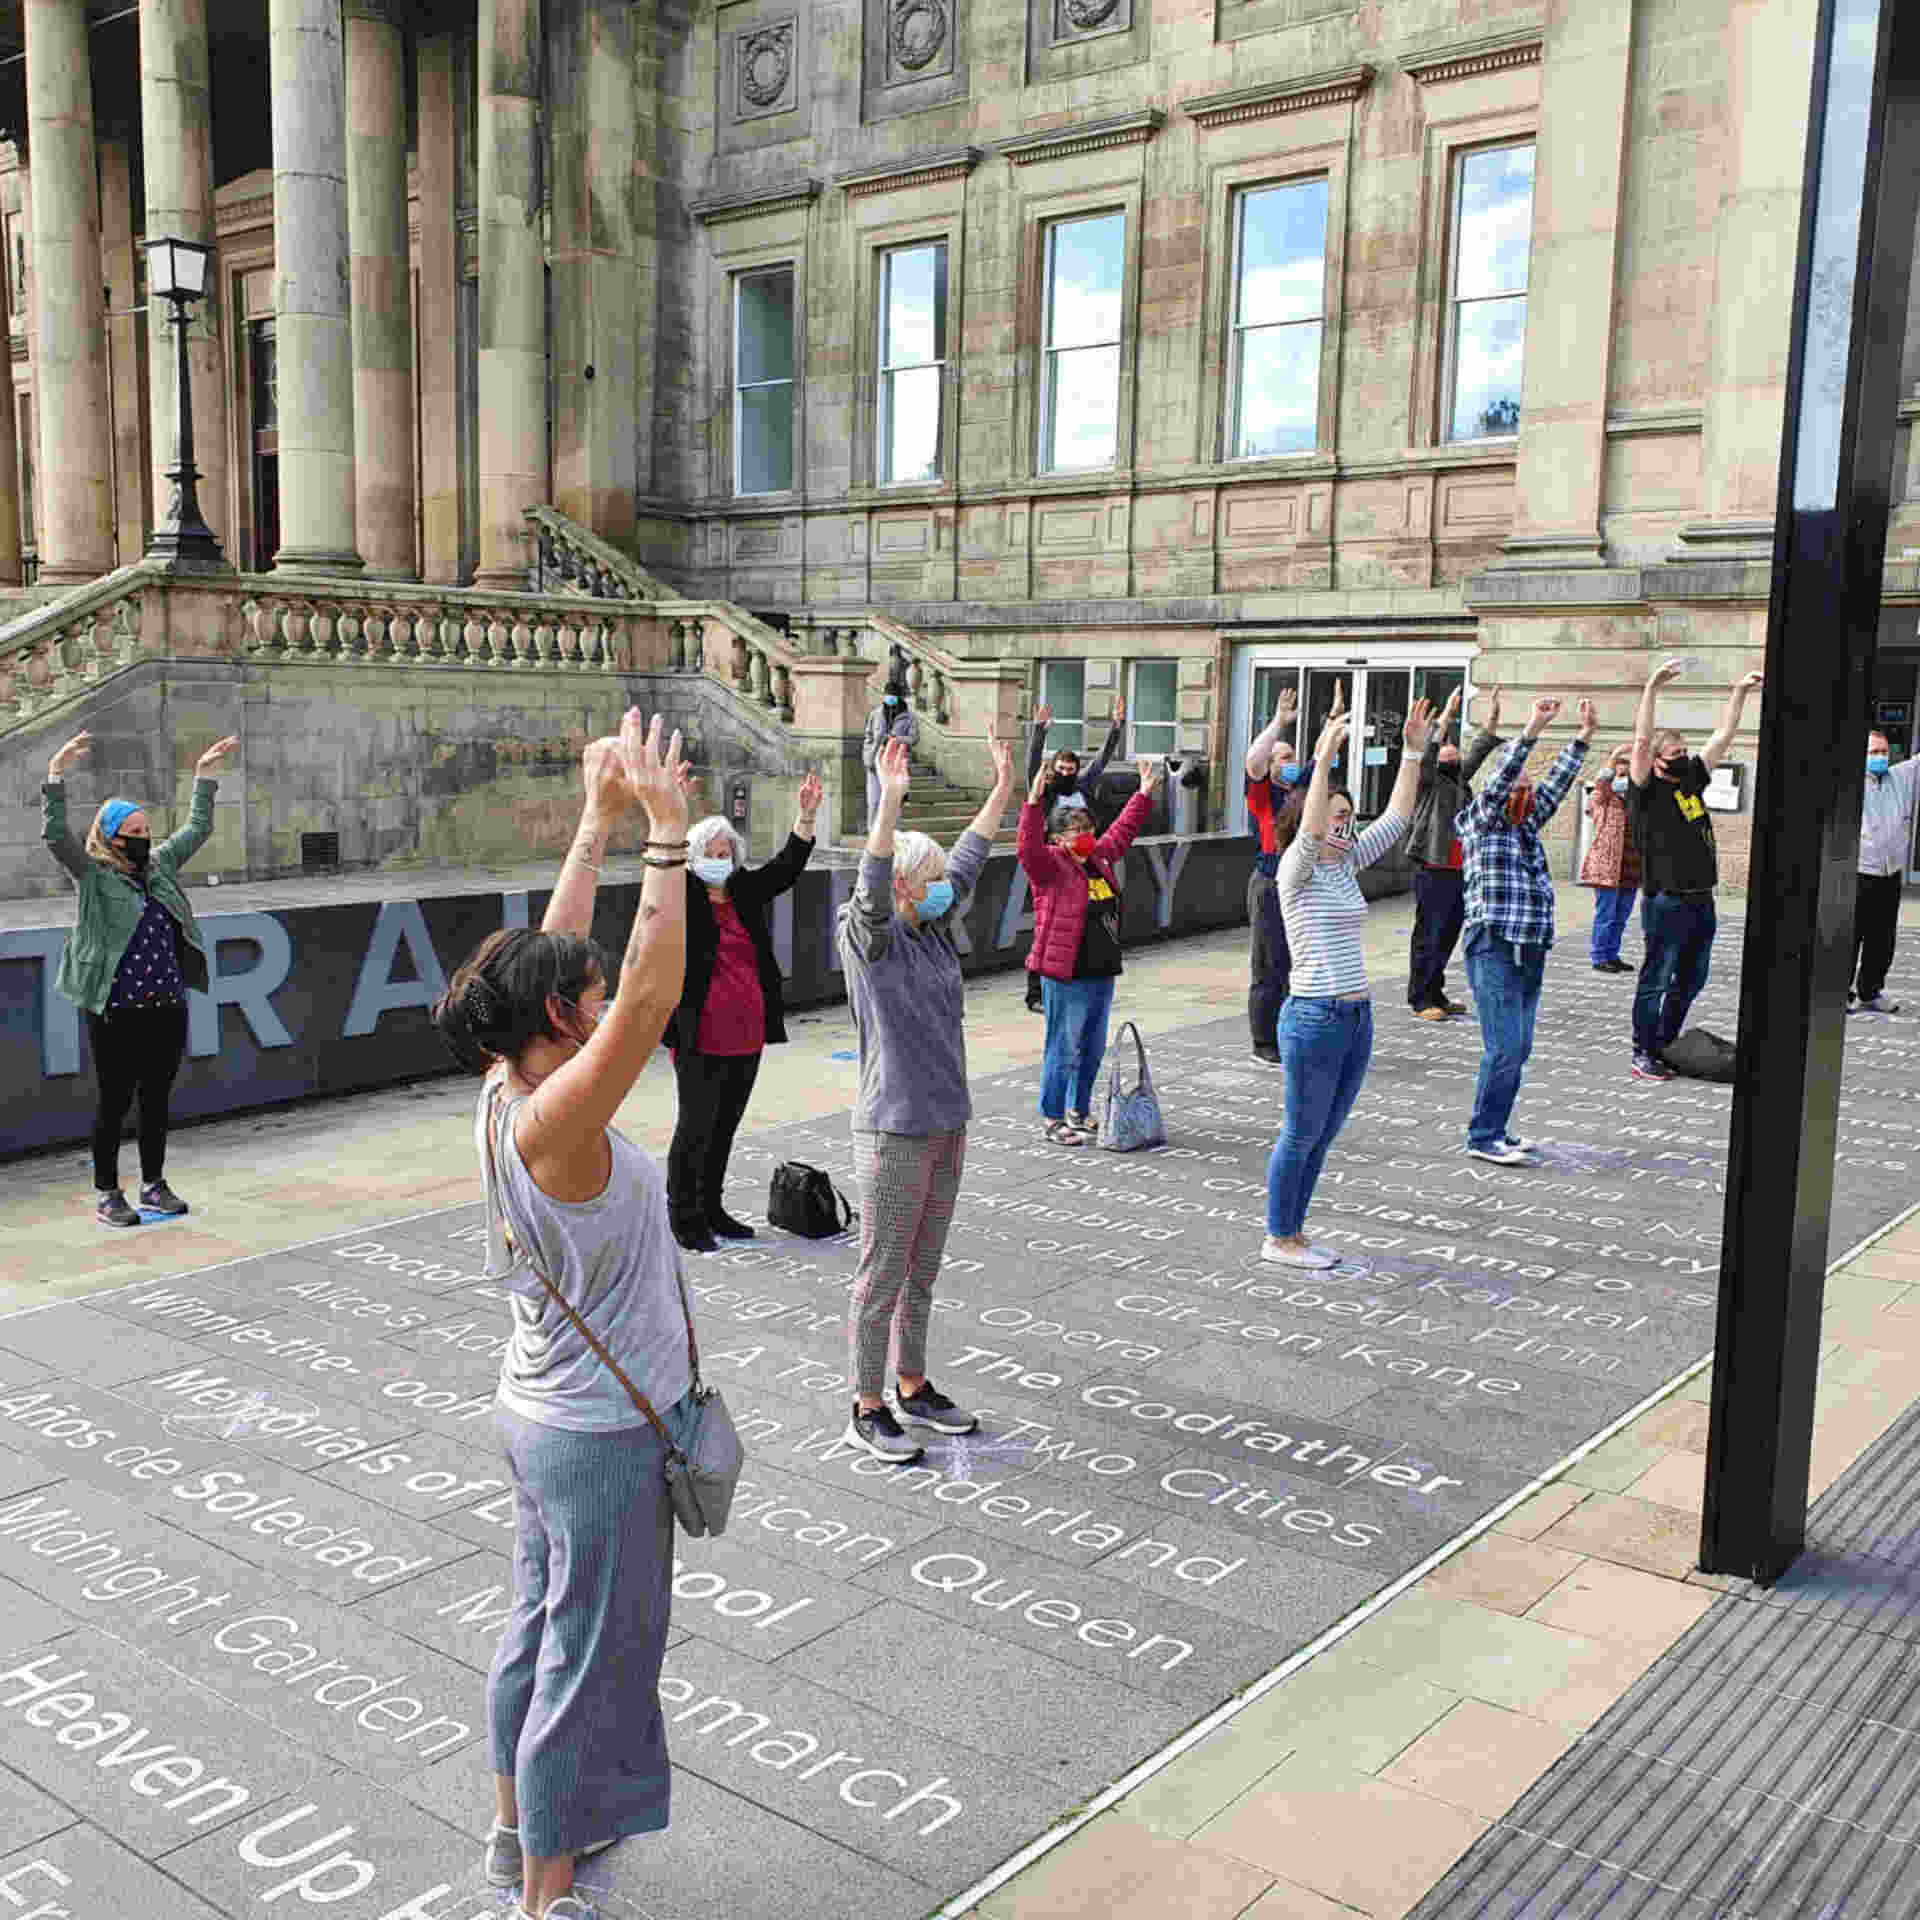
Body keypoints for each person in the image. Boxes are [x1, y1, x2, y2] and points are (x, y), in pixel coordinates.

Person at [434, 711, 693, 1920]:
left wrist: (593, 816)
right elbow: (642, 994)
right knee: (586, 1669)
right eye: (579, 999)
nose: (588, 993)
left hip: (540, 1415)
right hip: (597, 1437)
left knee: (539, 1630)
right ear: (566, 1026)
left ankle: (506, 1841)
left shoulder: (505, 1082)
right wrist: (668, 842)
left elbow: (557, 961)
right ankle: (547, 1896)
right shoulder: (558, 1123)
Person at [838, 732, 1017, 1463]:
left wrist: (1005, 786)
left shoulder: (936, 930)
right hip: (894, 1128)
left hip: (948, 1121)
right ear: (906, 886)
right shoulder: (872, 942)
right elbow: (870, 886)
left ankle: (912, 1386)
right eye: (932, 876)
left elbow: (970, 859)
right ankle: (866, 1404)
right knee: (881, 1274)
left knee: (924, 1268)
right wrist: (889, 804)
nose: (947, 884)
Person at [40, 728, 241, 1228]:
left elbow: (196, 829)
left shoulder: (160, 866)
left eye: (145, 827)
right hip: (114, 1008)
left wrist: (204, 780)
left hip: (166, 1005)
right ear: (110, 837)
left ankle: (153, 1184)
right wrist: (55, 777)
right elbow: (55, 838)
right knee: (114, 1100)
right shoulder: (92, 876)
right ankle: (108, 1193)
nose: (142, 835)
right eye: (132, 828)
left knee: (156, 1098)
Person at [1262, 686, 1432, 1270]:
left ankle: (1296, 1233)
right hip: (1312, 1014)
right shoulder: (1297, 870)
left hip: (1356, 1015)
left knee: (1325, 1135)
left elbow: (1399, 817)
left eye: (1348, 816)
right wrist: (1325, 758)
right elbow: (1309, 835)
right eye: (1337, 815)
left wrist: (1412, 753)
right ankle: (1279, 1236)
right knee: (1300, 1133)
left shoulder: (1348, 864)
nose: (1345, 823)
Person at [665, 772, 824, 1251]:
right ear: (692, 860)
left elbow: (786, 868)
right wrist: (673, 807)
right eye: (709, 854)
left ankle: (713, 1208)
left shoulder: (743, 892)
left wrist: (806, 816)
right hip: (699, 1034)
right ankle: (684, 1217)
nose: (718, 861)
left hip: (746, 1031)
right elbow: (662, 866)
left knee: (724, 1127)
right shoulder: (682, 894)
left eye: (725, 853)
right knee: (694, 1127)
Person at [1455, 697, 1596, 1166]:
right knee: (1505, 1046)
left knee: (1520, 1047)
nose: (1527, 790)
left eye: (1527, 786)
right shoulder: (1479, 822)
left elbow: (1555, 787)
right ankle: (1482, 1135)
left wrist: (1582, 739)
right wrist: (1534, 727)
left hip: (1531, 946)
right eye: (1520, 782)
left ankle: (1497, 1127)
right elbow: (1498, 784)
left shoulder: (1526, 827)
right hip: (1493, 942)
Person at [1627, 659, 1764, 1081]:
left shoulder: (1691, 781)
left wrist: (1739, 692)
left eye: (1684, 752)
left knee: (1691, 980)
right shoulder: (1645, 792)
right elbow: (1641, 737)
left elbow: (1723, 735)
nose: (1682, 758)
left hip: (1701, 899)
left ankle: (1666, 1042)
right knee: (1657, 978)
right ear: (1656, 760)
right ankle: (1643, 1050)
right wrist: (1652, 686)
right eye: (1674, 754)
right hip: (1666, 901)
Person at [1018, 756, 1162, 1145]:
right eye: (1073, 830)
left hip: (1101, 969)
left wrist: (1144, 793)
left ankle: (1078, 1110)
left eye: (1087, 827)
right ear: (1057, 839)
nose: (1083, 834)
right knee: (1062, 1047)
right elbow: (1027, 848)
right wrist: (1032, 802)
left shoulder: (1099, 859)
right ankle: (1052, 1117)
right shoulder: (1049, 866)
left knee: (1093, 1048)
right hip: (1066, 972)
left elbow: (1123, 831)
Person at [1404, 685, 1503, 1021]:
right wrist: (1445, 714)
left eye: (1453, 749)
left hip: (1461, 869)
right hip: (1434, 867)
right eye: (1446, 747)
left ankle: (1437, 992)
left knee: (1448, 933)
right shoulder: (1428, 781)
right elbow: (1429, 751)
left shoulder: (1460, 780)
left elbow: (1480, 748)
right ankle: (1420, 998)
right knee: (1429, 934)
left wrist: (1491, 717)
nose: (1452, 750)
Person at [1023, 695, 1124, 1009]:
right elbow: (1032, 763)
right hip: (1052, 865)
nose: (1067, 772)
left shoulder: (1083, 786)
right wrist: (1040, 730)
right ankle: (1035, 993)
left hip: (1083, 865)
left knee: (1072, 925)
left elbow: (1103, 759)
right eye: (1062, 768)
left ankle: (1069, 978)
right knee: (1045, 927)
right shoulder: (1048, 790)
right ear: (1054, 769)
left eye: (1071, 768)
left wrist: (1116, 727)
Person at [1244, 686, 1309, 1063]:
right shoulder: (1263, 795)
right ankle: (1263, 1041)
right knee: (1268, 965)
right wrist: (1278, 723)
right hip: (1270, 883)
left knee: (1295, 963)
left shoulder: (1303, 793)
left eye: (1290, 755)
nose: (1286, 761)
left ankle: (1290, 1033)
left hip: (1301, 883)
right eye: (1279, 757)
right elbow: (1254, 761)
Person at [1850, 728, 1920, 1013]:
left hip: (1889, 874)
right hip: (1858, 872)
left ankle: (1871, 990)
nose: (1880, 757)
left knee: (1882, 938)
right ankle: (1841, 992)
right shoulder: (1850, 782)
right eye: (1873, 752)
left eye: (1883, 752)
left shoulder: (1899, 778)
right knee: (1850, 934)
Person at [1580, 743, 1641, 974]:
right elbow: (1602, 784)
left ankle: (1612, 954)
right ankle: (1599, 956)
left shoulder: (1636, 800)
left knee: (1622, 915)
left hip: (1632, 864)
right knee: (1606, 913)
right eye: (1619, 770)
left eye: (1627, 770)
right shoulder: (1602, 798)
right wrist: (1614, 755)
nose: (1622, 775)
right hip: (1607, 866)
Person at [861, 672, 918, 826]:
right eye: (887, 695)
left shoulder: (909, 717)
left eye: (892, 695)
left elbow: (914, 738)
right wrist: (868, 755)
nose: (889, 698)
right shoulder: (876, 714)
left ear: (899, 697)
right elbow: (868, 736)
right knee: (874, 802)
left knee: (894, 804)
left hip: (895, 765)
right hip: (875, 763)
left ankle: (895, 837)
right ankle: (872, 838)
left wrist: (896, 738)